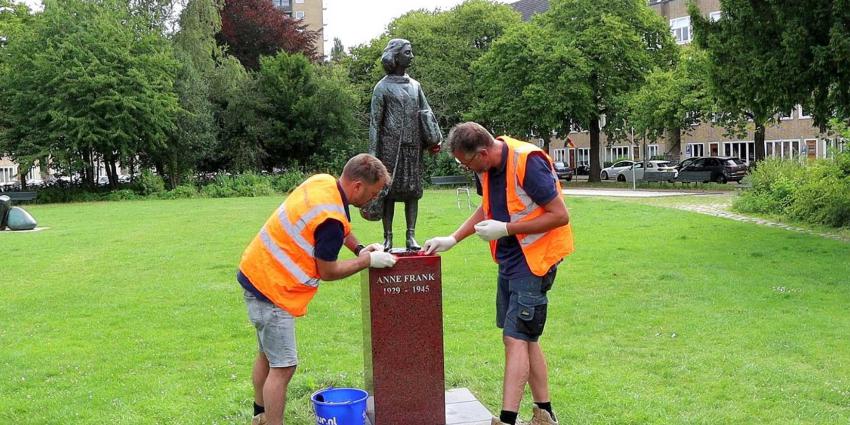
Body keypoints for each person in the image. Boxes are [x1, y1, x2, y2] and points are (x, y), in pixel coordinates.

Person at [423, 122, 574, 425]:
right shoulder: (485, 168)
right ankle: (545, 413)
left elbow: (560, 215)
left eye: (467, 163)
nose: (468, 169)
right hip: (509, 260)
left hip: (534, 260)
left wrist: (506, 228)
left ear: (481, 152)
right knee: (527, 338)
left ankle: (507, 420)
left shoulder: (527, 162)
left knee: (514, 338)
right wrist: (453, 238)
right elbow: (487, 207)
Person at [237, 154, 398, 425]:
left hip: (255, 273)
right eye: (373, 192)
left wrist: (359, 248)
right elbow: (328, 271)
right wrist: (367, 260)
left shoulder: (324, 182)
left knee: (266, 354)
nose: (373, 198)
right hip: (274, 291)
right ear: (357, 186)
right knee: (283, 366)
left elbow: (341, 227)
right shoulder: (331, 221)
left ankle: (259, 415)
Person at [369, 38, 441, 251]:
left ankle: (411, 236)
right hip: (389, 150)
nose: (412, 56)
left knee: (412, 192)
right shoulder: (381, 88)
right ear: (396, 56)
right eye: (408, 53)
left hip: (413, 148)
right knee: (388, 193)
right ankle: (388, 237)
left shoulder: (415, 86)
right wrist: (372, 155)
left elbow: (428, 115)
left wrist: (433, 139)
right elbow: (375, 123)